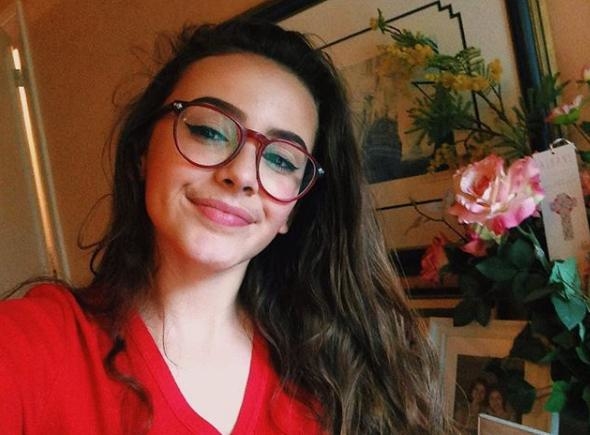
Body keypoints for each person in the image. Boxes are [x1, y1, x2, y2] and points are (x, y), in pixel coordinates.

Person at [0, 19, 455, 434]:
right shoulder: (29, 346)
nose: (241, 174)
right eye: (210, 131)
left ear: (294, 211)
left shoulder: (337, 380)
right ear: (143, 153)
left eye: (281, 160)